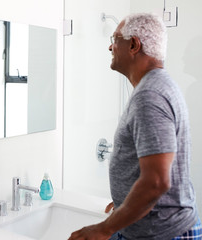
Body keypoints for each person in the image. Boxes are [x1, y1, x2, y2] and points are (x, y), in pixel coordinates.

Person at [69, 13, 200, 240]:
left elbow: (156, 182)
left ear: (133, 45)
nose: (110, 47)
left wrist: (104, 228)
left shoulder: (150, 95)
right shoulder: (155, 86)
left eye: (115, 39)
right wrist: (126, 202)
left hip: (161, 233)